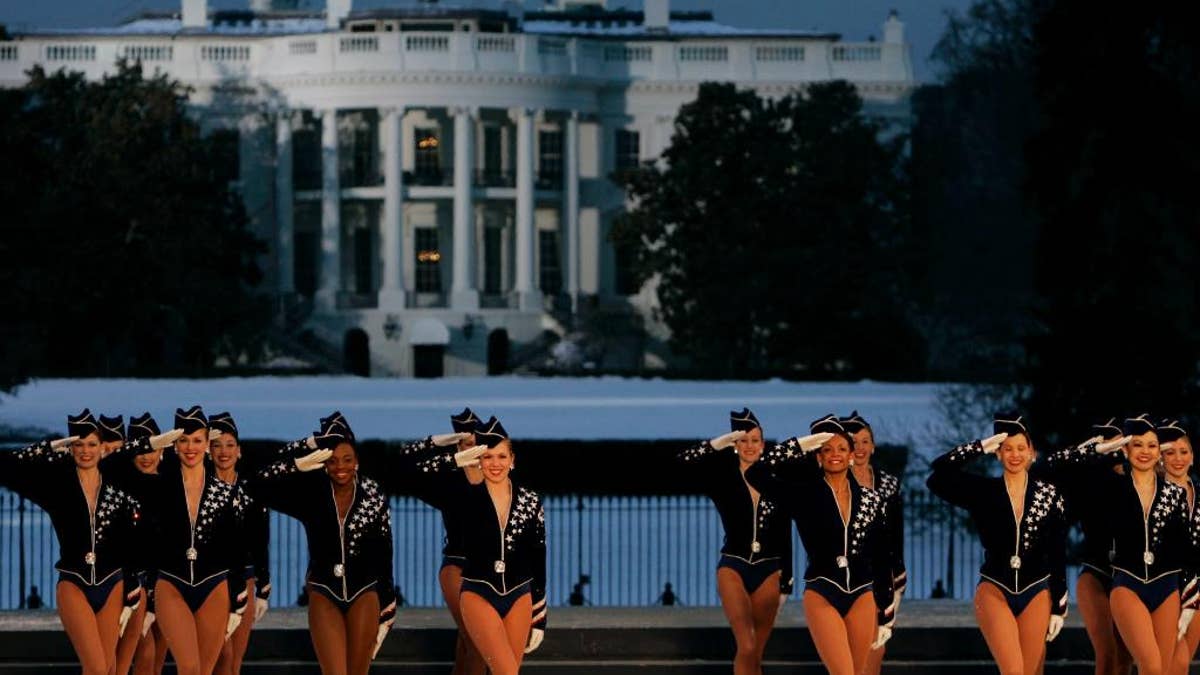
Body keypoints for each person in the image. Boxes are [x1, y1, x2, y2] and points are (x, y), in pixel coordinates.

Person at [0, 410, 174, 675]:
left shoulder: (119, 488)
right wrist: (48, 447)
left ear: (102, 447)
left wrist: (146, 444)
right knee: (94, 667)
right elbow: (7, 466)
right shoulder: (58, 489)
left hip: (112, 584)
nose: (85, 451)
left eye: (92, 444)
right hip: (74, 583)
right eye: (78, 444)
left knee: (108, 667)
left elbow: (135, 541)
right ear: (70, 448)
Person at [1046, 414, 1199, 675]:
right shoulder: (1111, 488)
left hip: (1168, 588)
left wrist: (1190, 597)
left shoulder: (1172, 494)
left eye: (1152, 445)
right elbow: (1050, 467)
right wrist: (1097, 450)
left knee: (1169, 667)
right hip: (1122, 582)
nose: (1145, 451)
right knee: (1129, 662)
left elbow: (1184, 549)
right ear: (1125, 451)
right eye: (1136, 445)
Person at [745, 414, 892, 675]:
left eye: (842, 448)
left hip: (863, 595)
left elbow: (881, 555)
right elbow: (757, 472)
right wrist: (801, 444)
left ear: (850, 455)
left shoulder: (872, 500)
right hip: (823, 592)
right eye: (827, 449)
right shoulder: (803, 495)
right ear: (818, 457)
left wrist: (886, 613)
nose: (835, 454)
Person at [248, 412, 394, 675]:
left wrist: (388, 603)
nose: (341, 467)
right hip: (324, 590)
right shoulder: (311, 494)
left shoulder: (373, 495)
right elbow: (257, 484)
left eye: (347, 460)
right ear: (324, 463)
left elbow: (384, 549)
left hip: (365, 592)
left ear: (357, 462)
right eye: (333, 460)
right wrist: (305, 450)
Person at [927, 413, 1069, 675]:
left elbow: (1057, 550)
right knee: (1013, 671)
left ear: (1031, 452)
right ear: (998, 454)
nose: (1014, 454)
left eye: (1021, 448)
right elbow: (937, 477)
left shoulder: (1049, 494)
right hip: (995, 589)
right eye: (1007, 449)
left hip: (1036, 589)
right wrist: (978, 447)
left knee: (1031, 671)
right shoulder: (983, 492)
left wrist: (1059, 603)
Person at [417, 416, 547, 675]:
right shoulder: (465, 496)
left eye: (501, 456)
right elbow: (406, 469)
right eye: (487, 457)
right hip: (478, 593)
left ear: (513, 460)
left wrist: (540, 615)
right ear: (478, 460)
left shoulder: (530, 500)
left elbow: (538, 556)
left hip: (520, 596)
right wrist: (447, 452)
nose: (495, 463)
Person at [678, 408, 794, 675]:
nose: (749, 446)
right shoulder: (722, 480)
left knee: (756, 652)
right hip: (733, 565)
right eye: (743, 440)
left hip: (769, 569)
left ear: (763, 445)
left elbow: (785, 530)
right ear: (734, 445)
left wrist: (786, 580)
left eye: (755, 440)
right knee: (747, 642)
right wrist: (714, 445)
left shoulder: (776, 480)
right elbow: (681, 465)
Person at [1037, 418, 1132, 675]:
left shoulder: (1142, 482)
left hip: (1133, 577)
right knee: (1107, 653)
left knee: (1125, 658)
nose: (1111, 449)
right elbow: (1043, 470)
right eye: (1103, 444)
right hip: (1096, 573)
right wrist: (1086, 451)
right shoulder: (1087, 483)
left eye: (1118, 443)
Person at [842, 411, 906, 675]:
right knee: (847, 655)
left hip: (884, 575)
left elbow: (895, 533)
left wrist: (897, 575)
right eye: (853, 442)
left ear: (874, 445)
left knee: (874, 652)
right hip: (845, 577)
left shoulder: (889, 484)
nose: (859, 447)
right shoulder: (833, 483)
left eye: (865, 441)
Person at [209, 412, 271, 675]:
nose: (224, 452)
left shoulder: (251, 490)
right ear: (208, 451)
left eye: (230, 445)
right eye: (217, 445)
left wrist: (264, 587)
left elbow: (261, 540)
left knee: (234, 660)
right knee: (220, 653)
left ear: (240, 451)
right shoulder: (198, 488)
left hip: (245, 579)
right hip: (209, 580)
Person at [1159, 419, 1200, 675]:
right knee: (1173, 662)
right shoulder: (1151, 495)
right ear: (1159, 457)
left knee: (1180, 666)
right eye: (1170, 452)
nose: (1178, 458)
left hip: (1197, 588)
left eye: (1183, 452)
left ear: (1192, 457)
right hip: (1166, 587)